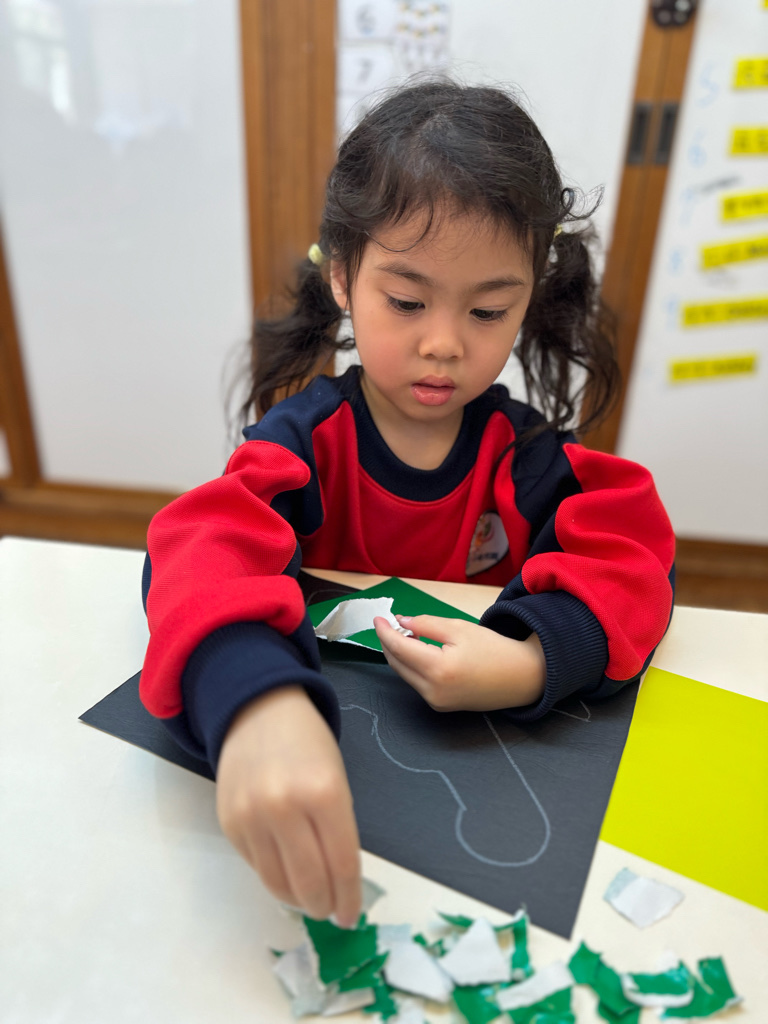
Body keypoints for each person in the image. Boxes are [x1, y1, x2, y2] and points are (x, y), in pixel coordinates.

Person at [140, 80, 675, 930]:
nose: (444, 343)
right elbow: (204, 544)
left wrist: (532, 659)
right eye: (407, 301)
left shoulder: (525, 457)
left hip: (492, 809)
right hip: (345, 796)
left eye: (488, 309)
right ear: (342, 276)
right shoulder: (305, 443)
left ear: (529, 300)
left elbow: (635, 556)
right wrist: (253, 699)